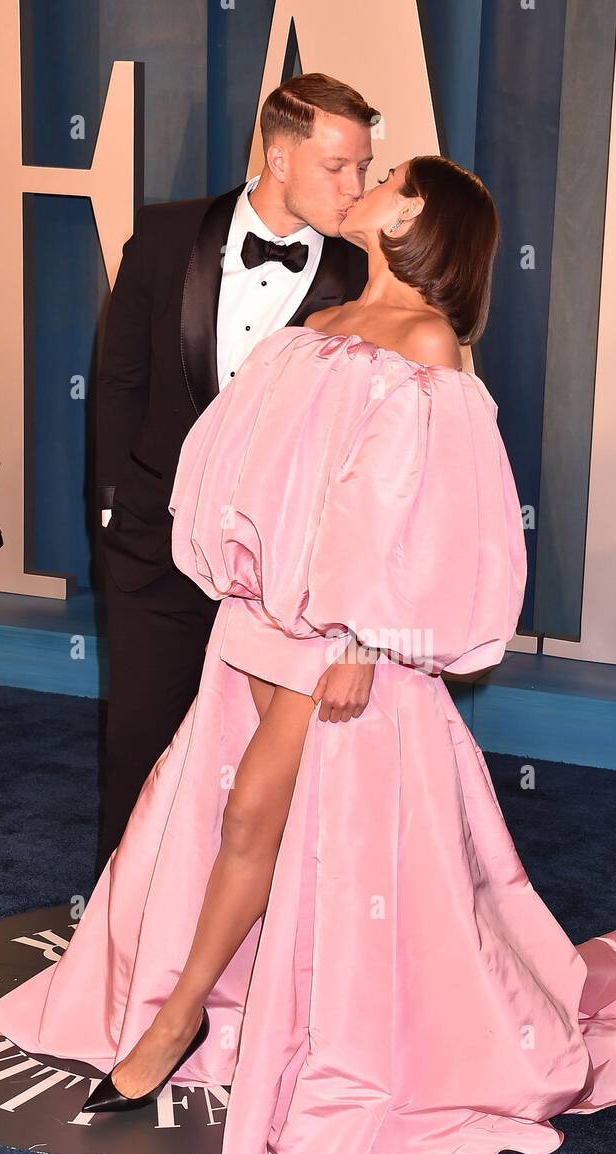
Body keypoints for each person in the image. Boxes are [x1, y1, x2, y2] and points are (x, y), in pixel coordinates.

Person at [0, 155, 616, 1154]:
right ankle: (236, 1001)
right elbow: (246, 464)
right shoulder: (324, 318)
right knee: (228, 818)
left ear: (418, 218)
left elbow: (423, 506)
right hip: (255, 622)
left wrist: (364, 633)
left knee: (252, 813)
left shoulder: (432, 344)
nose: (365, 179)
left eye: (386, 175)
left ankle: (170, 1033)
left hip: (335, 639)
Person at [95, 73, 377, 875]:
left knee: (265, 778)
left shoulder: (362, 280)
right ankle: (120, 940)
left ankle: (251, 959)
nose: (355, 188)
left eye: (364, 167)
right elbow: (119, 380)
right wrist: (114, 513)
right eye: (338, 167)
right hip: (155, 547)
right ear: (279, 157)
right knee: (142, 745)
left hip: (283, 579)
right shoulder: (165, 233)